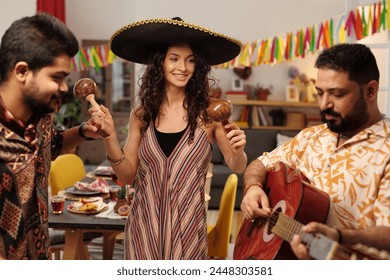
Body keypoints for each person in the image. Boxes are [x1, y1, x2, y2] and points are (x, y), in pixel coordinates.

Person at [90, 17, 247, 260]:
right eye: (174, 58)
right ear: (160, 63)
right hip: (143, 228)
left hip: (188, 231)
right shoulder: (141, 116)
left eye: (190, 60)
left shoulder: (209, 115)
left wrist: (238, 151)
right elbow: (127, 174)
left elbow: (237, 165)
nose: (183, 67)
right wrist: (110, 138)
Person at [240, 43, 390, 258]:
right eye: (320, 93)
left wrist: (339, 237)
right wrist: (252, 188)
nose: (324, 104)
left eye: (337, 94)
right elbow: (261, 163)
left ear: (371, 91)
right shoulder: (310, 137)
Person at [0, 13, 101, 260]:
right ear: (22, 71)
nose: (65, 87)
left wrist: (83, 131)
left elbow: (51, 146)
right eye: (57, 77)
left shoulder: (42, 116)